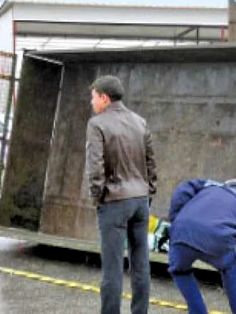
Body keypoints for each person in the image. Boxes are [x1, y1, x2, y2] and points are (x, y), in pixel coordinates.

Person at [86, 75, 158, 314]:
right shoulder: (140, 122)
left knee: (112, 270)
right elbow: (151, 163)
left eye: (93, 97)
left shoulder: (97, 124)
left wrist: (98, 197)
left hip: (114, 201)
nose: (92, 102)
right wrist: (148, 194)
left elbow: (95, 166)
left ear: (104, 98)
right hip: (140, 200)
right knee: (141, 265)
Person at [168, 178, 236, 314]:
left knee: (179, 270)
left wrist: (176, 220)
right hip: (218, 241)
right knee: (230, 267)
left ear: (227, 185)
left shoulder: (209, 185)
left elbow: (182, 190)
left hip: (181, 233)